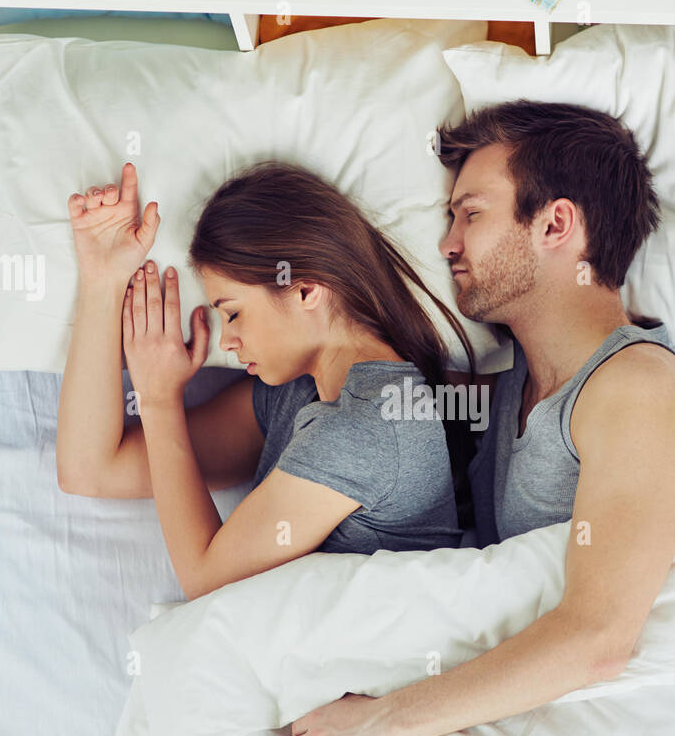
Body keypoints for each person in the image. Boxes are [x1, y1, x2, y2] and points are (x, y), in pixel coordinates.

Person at [282, 100, 675, 736]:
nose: (447, 244)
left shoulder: (637, 389)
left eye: (471, 214)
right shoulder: (520, 382)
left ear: (556, 224)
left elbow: (600, 636)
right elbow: (392, 403)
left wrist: (381, 723)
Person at [55, 160, 476, 600]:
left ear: (305, 291)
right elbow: (90, 469)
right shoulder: (297, 396)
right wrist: (103, 281)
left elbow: (205, 581)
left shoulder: (369, 425)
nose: (228, 341)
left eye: (233, 312)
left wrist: (159, 399)